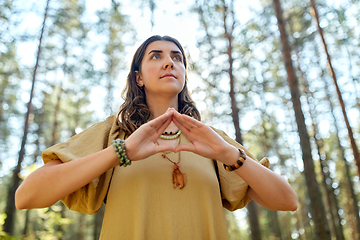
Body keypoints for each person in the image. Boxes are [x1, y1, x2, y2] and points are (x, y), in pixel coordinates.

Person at [15, 35, 297, 239]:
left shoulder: (213, 141)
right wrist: (121, 152)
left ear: (184, 74)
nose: (169, 63)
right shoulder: (113, 133)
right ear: (138, 77)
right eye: (156, 56)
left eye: (177, 57)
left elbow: (287, 201)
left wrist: (228, 155)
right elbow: (27, 196)